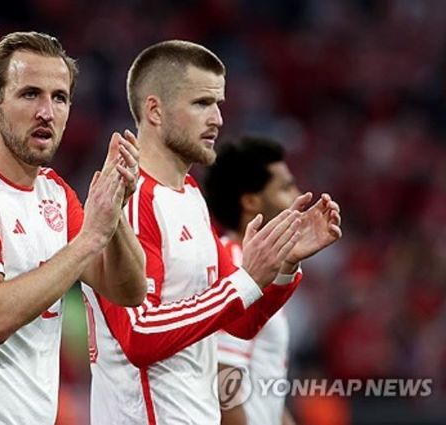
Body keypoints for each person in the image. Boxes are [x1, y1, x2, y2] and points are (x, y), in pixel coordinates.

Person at [81, 40, 342, 424]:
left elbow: (238, 323)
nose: (218, 118)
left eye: (218, 103)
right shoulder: (129, 200)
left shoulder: (190, 195)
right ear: (155, 110)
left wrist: (283, 264)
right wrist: (244, 281)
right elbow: (138, 336)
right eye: (202, 103)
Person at [0, 31, 147, 424]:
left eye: (59, 98)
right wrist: (90, 238)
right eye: (30, 94)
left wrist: (114, 212)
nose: (46, 112)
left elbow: (130, 290)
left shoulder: (56, 193)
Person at [205, 136, 302, 425]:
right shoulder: (233, 267)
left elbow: (265, 394)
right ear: (250, 201)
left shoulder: (259, 268)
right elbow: (224, 378)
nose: (298, 196)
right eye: (285, 188)